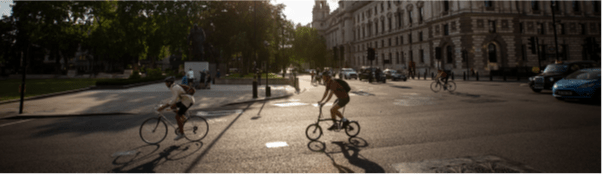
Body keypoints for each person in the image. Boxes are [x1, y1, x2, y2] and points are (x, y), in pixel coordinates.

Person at [157, 76, 195, 140]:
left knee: (177, 117)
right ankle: (183, 118)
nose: (165, 84)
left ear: (169, 83)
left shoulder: (174, 88)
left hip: (187, 101)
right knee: (172, 107)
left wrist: (164, 106)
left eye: (166, 83)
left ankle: (182, 134)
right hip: (184, 100)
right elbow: (175, 98)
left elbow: (174, 99)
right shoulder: (173, 87)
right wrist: (166, 103)